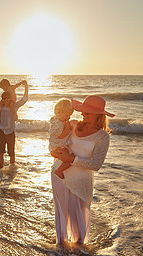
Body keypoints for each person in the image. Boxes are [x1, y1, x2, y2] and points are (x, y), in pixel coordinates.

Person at [51, 95, 115, 245]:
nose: (82, 114)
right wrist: (55, 153)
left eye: (87, 112)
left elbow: (96, 165)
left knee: (77, 220)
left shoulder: (102, 137)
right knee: (61, 214)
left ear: (98, 115)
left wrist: (71, 160)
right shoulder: (72, 124)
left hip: (80, 182)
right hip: (59, 175)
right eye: (83, 111)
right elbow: (54, 141)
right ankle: (60, 248)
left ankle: (80, 250)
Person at [0, 79, 28, 168]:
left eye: (8, 98)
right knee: (1, 152)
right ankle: (1, 168)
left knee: (11, 152)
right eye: (4, 98)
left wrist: (26, 87)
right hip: (1, 131)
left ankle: (12, 169)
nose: (6, 100)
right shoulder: (1, 105)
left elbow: (24, 99)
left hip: (10, 132)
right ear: (2, 99)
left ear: (10, 99)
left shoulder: (14, 106)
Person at [49, 98, 74, 179]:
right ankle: (59, 171)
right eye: (66, 115)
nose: (68, 117)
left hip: (56, 145)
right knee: (70, 158)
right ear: (58, 113)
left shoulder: (57, 120)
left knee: (65, 157)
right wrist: (67, 128)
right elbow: (61, 136)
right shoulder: (58, 124)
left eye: (70, 115)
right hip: (57, 145)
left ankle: (57, 168)